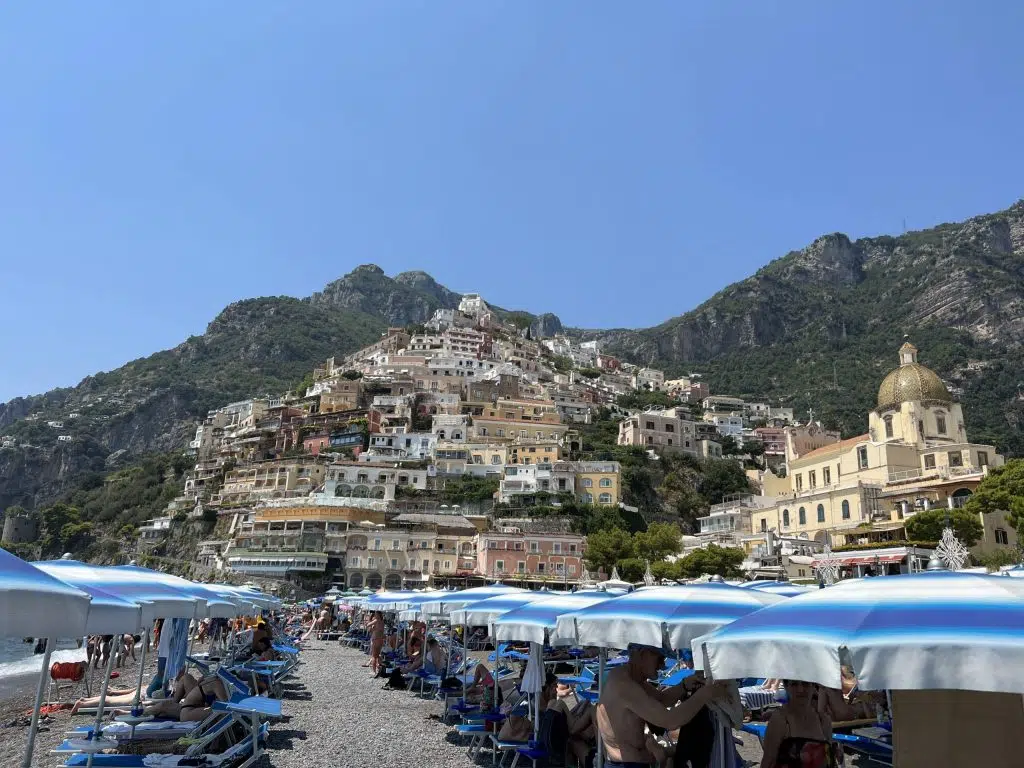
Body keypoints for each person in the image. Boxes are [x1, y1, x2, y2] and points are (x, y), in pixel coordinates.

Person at [597, 645, 729, 768]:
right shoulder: (625, 687)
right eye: (660, 658)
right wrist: (704, 694)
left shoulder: (625, 676)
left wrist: (684, 685)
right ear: (643, 654)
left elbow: (662, 699)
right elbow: (669, 721)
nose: (663, 665)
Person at [759, 680, 837, 768]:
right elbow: (768, 761)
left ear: (813, 686)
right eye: (794, 684)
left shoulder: (823, 719)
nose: (800, 689)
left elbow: (828, 760)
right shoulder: (780, 719)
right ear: (786, 686)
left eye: (806, 684)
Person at [549, 680, 597, 765]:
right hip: (610, 754)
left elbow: (574, 730)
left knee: (572, 741)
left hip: (600, 758)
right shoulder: (610, 708)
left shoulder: (594, 710)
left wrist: (564, 708)